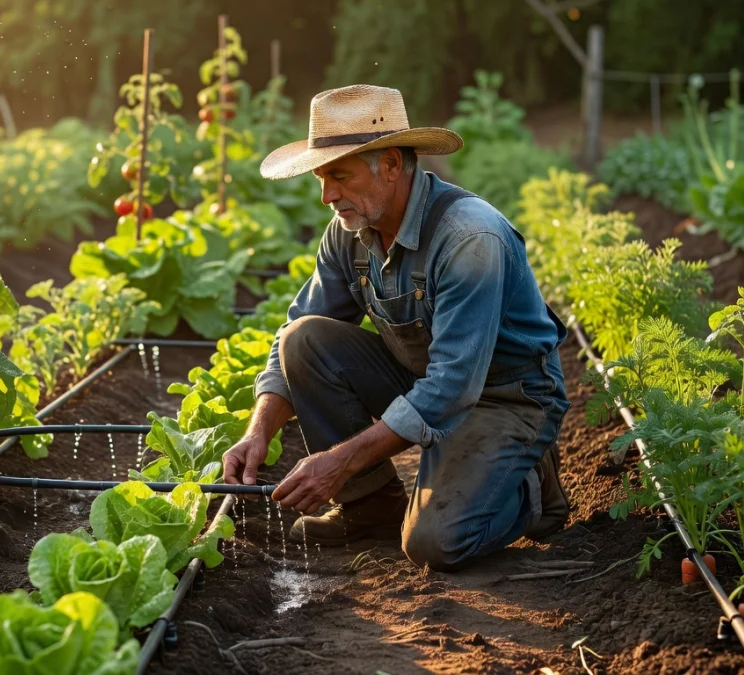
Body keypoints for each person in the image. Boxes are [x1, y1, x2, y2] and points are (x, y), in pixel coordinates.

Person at [221, 84, 572, 570]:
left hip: (504, 397)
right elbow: (298, 329)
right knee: (304, 341)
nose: (327, 196)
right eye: (321, 179)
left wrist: (340, 461)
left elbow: (452, 386)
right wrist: (259, 431)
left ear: (389, 165)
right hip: (424, 379)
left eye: (339, 176)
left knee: (435, 544)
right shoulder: (350, 235)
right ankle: (369, 507)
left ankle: (532, 488)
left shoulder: (470, 238)